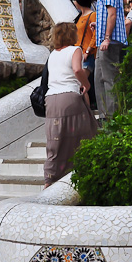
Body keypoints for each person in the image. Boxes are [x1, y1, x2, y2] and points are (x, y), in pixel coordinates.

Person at [43, 21, 97, 186]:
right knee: (85, 136)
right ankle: (81, 175)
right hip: (69, 98)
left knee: (55, 140)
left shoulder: (53, 54)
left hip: (51, 100)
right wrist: (86, 84)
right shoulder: (76, 50)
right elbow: (77, 70)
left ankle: (50, 181)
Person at [92, 0, 128, 118]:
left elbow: (112, 14)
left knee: (108, 80)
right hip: (104, 41)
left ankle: (112, 120)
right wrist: (98, 24)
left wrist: (106, 38)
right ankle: (104, 116)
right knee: (99, 79)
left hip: (109, 42)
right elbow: (109, 15)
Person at [73, 0, 97, 109]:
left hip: (87, 55)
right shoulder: (80, 16)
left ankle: (87, 115)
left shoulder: (92, 15)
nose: (73, 1)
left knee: (82, 84)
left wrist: (88, 50)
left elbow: (95, 34)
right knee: (81, 85)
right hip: (79, 55)